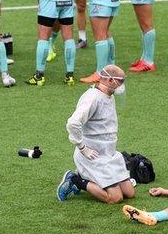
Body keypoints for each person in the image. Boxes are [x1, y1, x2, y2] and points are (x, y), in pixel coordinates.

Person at [57, 65, 135, 203]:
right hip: (93, 155)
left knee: (129, 193)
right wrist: (82, 147)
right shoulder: (92, 98)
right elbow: (73, 123)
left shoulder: (107, 94)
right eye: (120, 81)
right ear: (110, 80)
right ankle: (75, 179)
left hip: (109, 153)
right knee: (115, 198)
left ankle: (91, 178)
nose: (122, 86)